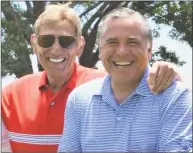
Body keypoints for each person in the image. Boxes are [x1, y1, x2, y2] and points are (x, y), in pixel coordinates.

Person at [1, 4, 183, 153]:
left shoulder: (106, 86)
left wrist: (171, 73)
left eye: (66, 41)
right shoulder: (9, 95)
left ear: (80, 45)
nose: (56, 49)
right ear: (34, 44)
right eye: (46, 41)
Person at [58, 7, 192, 152]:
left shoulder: (175, 97)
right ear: (101, 51)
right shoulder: (79, 100)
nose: (122, 51)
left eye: (133, 42)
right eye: (112, 42)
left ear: (149, 50)